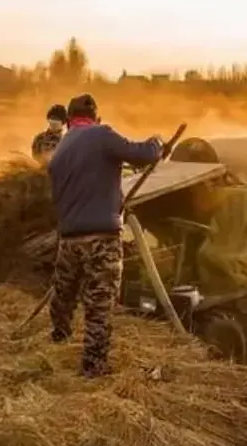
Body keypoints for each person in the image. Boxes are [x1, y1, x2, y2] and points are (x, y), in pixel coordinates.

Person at [47, 93, 165, 377]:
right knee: (99, 303)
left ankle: (59, 337)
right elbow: (143, 154)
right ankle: (93, 367)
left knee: (64, 294)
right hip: (101, 238)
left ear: (68, 120)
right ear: (95, 116)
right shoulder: (102, 135)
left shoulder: (60, 150)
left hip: (69, 239)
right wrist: (157, 143)